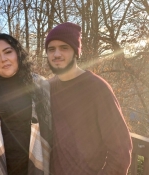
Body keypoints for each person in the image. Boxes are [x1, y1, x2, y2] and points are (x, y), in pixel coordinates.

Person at [45, 22, 132, 175]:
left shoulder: (97, 88)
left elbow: (121, 150)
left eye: (64, 48)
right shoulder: (48, 88)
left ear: (76, 52)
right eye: (51, 49)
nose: (56, 54)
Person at [0, 33, 51, 175]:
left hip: (34, 164)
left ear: (17, 53)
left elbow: (52, 127)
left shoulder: (40, 84)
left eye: (8, 52)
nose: (3, 59)